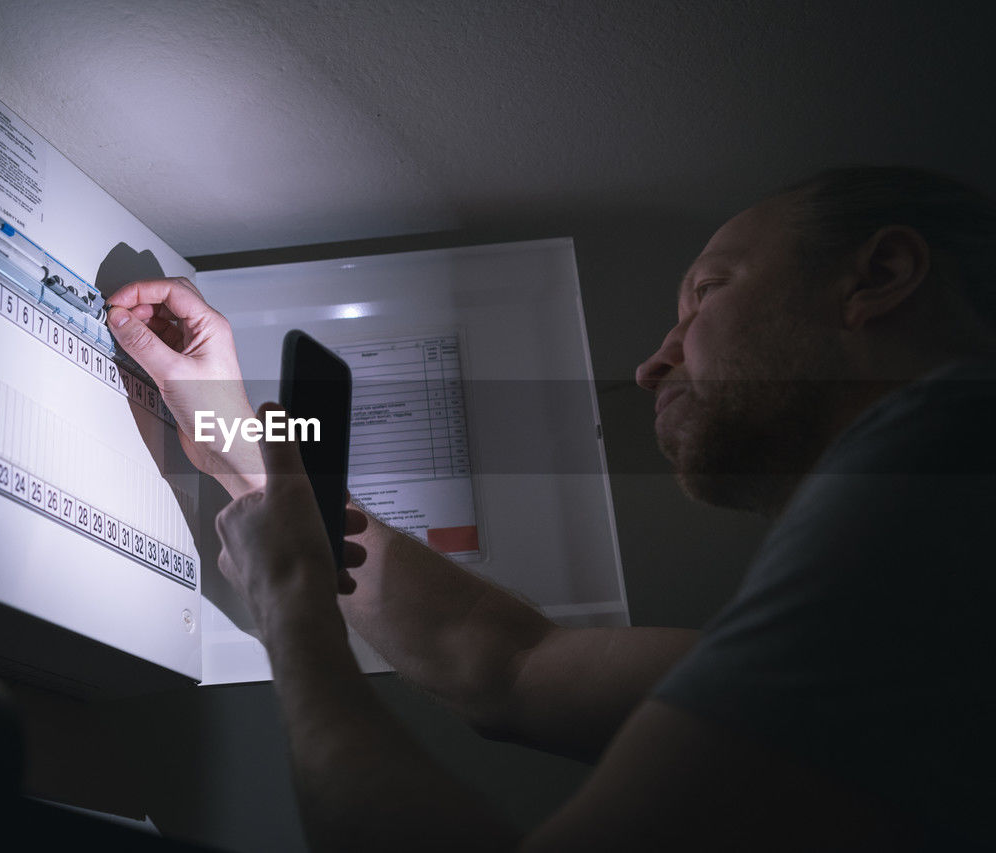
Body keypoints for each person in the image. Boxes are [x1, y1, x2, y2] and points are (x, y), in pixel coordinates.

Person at [104, 166, 996, 850]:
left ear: (881, 274)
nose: (655, 363)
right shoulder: (914, 594)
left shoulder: (943, 464)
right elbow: (511, 664)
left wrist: (294, 607)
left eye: (707, 293)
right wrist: (246, 453)